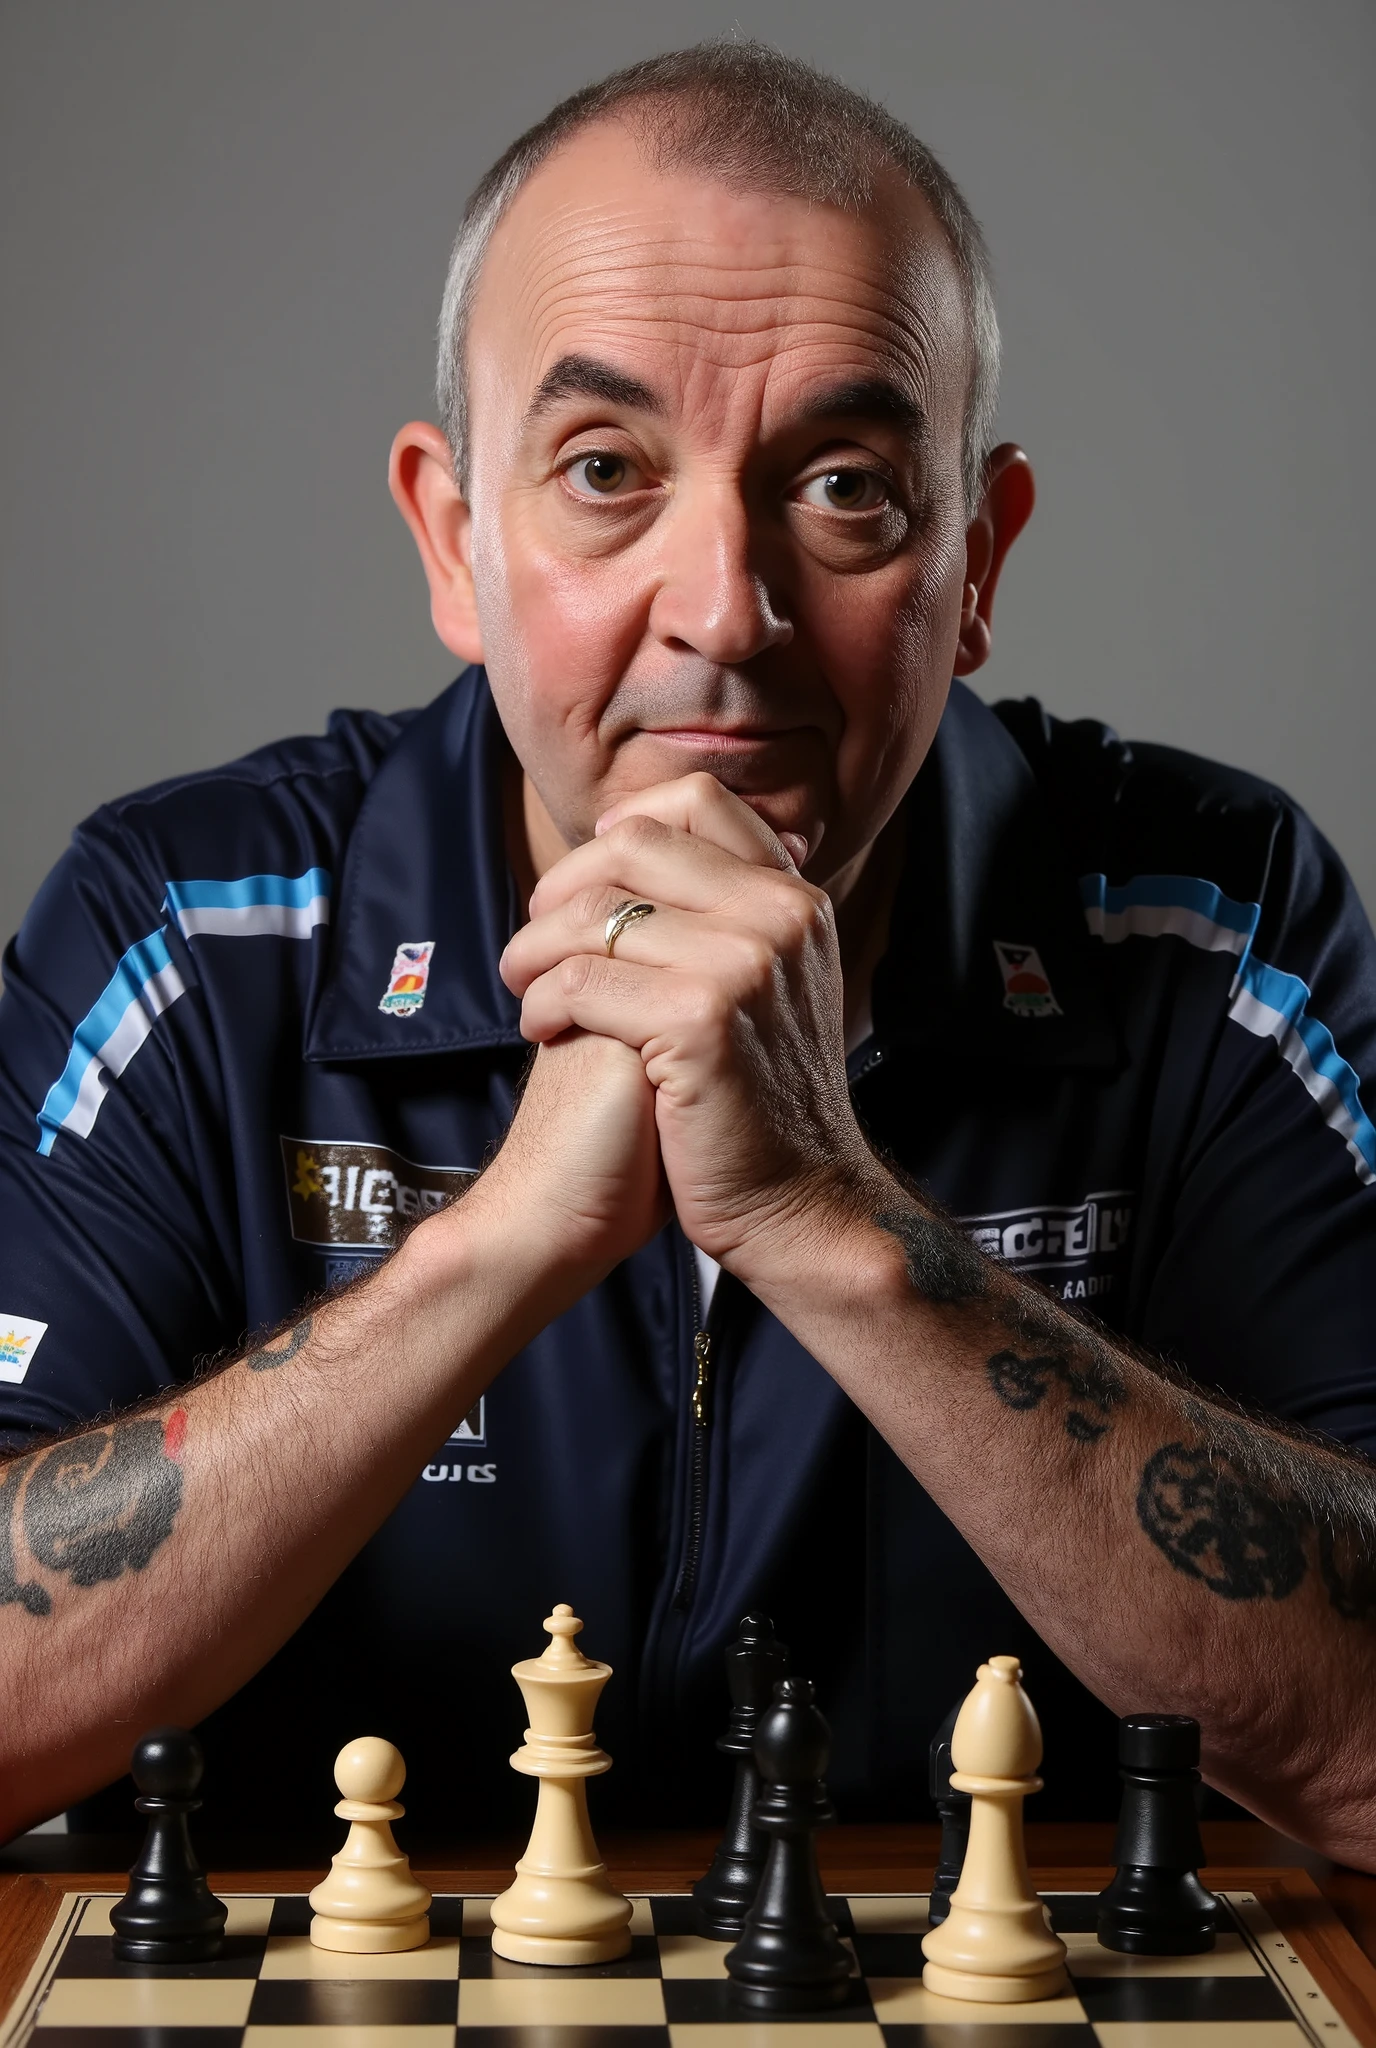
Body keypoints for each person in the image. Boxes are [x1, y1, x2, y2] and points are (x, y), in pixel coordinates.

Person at [1, 42, 1374, 1862]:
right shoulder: (189, 932)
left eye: (851, 486)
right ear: (452, 532)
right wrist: (494, 1253)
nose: (727, 611)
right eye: (601, 468)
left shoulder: (1209, 927)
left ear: (978, 559)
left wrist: (836, 1229)